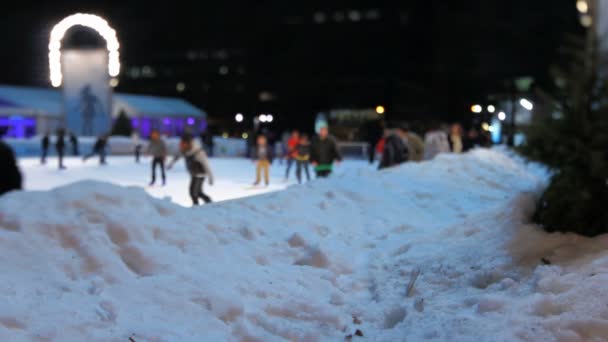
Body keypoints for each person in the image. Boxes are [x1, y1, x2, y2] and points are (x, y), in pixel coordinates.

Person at [168, 134, 214, 205]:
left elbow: (206, 164)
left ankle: (196, 206)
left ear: (189, 143)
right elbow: (177, 156)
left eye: (183, 144)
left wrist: (211, 177)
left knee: (193, 192)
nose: (182, 145)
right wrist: (171, 164)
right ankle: (208, 203)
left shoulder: (198, 152)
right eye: (181, 143)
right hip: (194, 174)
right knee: (198, 192)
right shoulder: (185, 150)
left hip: (200, 174)